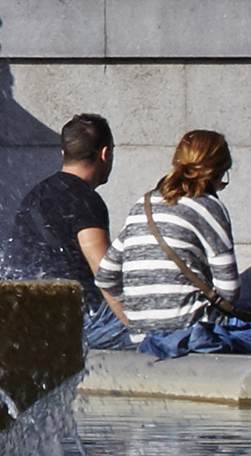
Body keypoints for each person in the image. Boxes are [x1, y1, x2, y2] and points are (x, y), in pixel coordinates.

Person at [103, 129, 243, 355]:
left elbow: (105, 276)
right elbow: (229, 291)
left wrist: (138, 319)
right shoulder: (209, 207)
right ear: (217, 172)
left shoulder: (143, 205)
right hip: (191, 335)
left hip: (143, 338)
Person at [6, 111, 123, 341]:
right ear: (105, 153)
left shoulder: (33, 196)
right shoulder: (85, 200)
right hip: (80, 320)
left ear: (64, 153)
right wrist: (137, 326)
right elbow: (104, 273)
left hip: (34, 316)